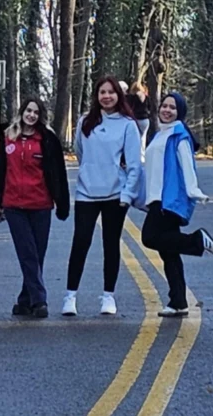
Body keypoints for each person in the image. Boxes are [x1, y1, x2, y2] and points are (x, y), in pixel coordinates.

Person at [63, 76, 143, 317]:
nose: (106, 96)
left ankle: (108, 296)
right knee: (80, 243)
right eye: (102, 92)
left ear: (119, 95)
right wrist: (90, 172)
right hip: (86, 193)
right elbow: (80, 152)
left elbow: (134, 165)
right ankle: (70, 296)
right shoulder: (85, 122)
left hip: (115, 196)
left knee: (111, 244)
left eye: (111, 92)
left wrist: (127, 194)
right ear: (96, 96)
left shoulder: (128, 125)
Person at [140, 92, 213, 318]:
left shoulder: (179, 135)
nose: (167, 110)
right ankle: (178, 301)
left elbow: (187, 165)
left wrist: (194, 192)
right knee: (169, 252)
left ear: (180, 113)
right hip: (157, 199)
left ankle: (197, 240)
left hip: (170, 200)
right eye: (164, 106)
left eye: (172, 108)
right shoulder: (160, 134)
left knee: (149, 237)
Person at [0, 99, 70, 319]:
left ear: (40, 116)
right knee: (27, 252)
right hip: (14, 204)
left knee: (36, 254)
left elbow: (58, 173)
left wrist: (62, 203)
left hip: (40, 204)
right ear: (22, 112)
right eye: (28, 111)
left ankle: (25, 300)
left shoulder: (47, 139)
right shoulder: (8, 136)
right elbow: (0, 169)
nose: (31, 115)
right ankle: (40, 300)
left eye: (36, 112)